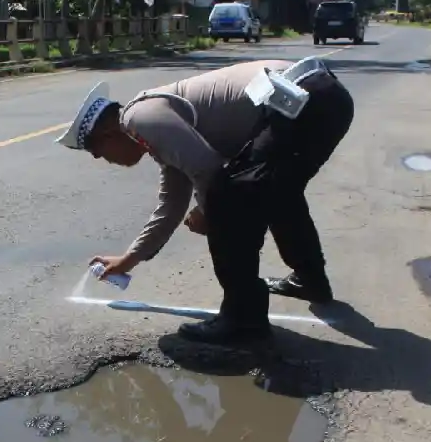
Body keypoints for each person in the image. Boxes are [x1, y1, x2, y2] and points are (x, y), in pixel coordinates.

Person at [56, 57, 355, 346]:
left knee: (231, 201)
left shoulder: (138, 118)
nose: (105, 161)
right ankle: (309, 278)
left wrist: (206, 212)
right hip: (321, 97)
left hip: (302, 104)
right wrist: (129, 259)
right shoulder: (155, 125)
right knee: (274, 191)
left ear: (108, 133)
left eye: (98, 152)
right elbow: (171, 205)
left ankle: (243, 320)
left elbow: (209, 173)